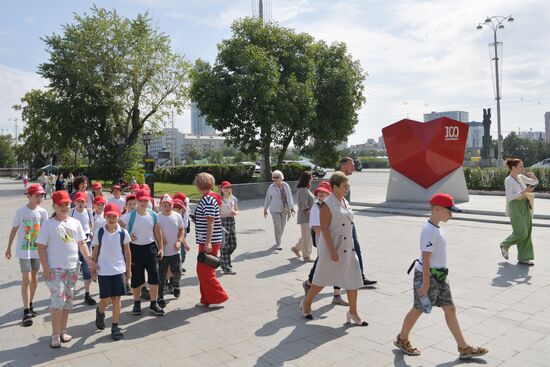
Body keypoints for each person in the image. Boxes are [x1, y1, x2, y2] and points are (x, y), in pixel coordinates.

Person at [394, 193, 488, 360]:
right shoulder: (429, 230)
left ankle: (463, 347)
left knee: (450, 309)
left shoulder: (437, 228)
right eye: (449, 210)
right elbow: (426, 257)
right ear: (437, 209)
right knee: (418, 308)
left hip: (439, 276)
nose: (451, 214)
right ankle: (402, 339)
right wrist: (425, 282)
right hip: (428, 276)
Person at [300, 172, 367, 326]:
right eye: (345, 186)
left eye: (348, 185)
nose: (347, 188)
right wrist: (332, 251)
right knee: (321, 280)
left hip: (347, 247)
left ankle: (353, 312)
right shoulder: (327, 204)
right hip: (332, 247)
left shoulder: (344, 201)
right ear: (335, 187)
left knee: (353, 279)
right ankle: (307, 303)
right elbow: (324, 229)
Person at [36, 190, 96, 348]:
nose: (64, 207)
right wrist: (45, 268)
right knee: (57, 301)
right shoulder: (49, 224)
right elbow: (41, 247)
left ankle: (63, 330)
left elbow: (82, 243)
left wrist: (89, 259)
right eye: (60, 205)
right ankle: (55, 334)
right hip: (55, 269)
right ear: (54, 206)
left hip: (73, 267)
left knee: (68, 301)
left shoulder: (75, 222)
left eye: (66, 204)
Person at [5, 184, 49, 327]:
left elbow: (46, 232)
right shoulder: (21, 212)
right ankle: (25, 310)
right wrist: (8, 248)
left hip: (38, 251)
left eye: (40, 196)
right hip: (24, 251)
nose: (39, 198)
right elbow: (14, 229)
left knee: (35, 278)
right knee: (27, 278)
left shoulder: (42, 212)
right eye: (36, 196)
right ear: (28, 196)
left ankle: (30, 303)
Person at [301, 181, 348, 306]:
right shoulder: (317, 207)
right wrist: (327, 243)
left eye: (324, 192)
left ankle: (336, 295)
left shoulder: (334, 205)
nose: (321, 194)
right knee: (321, 266)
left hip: (336, 241)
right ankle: (309, 284)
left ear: (329, 193)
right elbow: (317, 227)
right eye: (320, 192)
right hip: (325, 242)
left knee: (338, 266)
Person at [120, 189, 165, 316]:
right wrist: (128, 235)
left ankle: (153, 303)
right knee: (137, 278)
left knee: (154, 277)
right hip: (135, 249)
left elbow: (157, 231)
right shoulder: (130, 215)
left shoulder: (153, 215)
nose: (143, 202)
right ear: (137, 201)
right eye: (141, 200)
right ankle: (136, 303)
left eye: (146, 200)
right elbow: (118, 226)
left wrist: (161, 247)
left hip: (150, 248)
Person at [91, 203, 131, 341]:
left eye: (114, 216)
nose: (112, 218)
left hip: (119, 269)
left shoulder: (123, 233)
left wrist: (128, 270)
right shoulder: (99, 232)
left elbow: (127, 252)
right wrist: (93, 268)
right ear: (105, 217)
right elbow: (95, 251)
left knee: (116, 298)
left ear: (118, 216)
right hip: (103, 270)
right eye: (109, 216)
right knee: (106, 299)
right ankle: (100, 312)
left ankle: (115, 326)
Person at [339, 157, 377, 286]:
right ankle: (311, 281)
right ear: (344, 166)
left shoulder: (344, 180)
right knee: (331, 254)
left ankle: (359, 277)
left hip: (347, 220)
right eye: (352, 165)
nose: (354, 167)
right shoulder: (337, 180)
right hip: (341, 222)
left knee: (354, 248)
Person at [194, 172, 229, 308]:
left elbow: (210, 222)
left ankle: (217, 297)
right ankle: (206, 298)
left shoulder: (207, 199)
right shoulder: (209, 197)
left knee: (205, 271)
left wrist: (208, 242)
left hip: (209, 241)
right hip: (207, 240)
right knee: (203, 270)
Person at [500, 158, 538, 266]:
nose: (523, 168)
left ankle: (524, 258)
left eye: (522, 166)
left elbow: (535, 183)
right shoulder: (508, 180)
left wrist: (534, 178)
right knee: (521, 231)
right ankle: (505, 244)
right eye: (520, 166)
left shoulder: (520, 177)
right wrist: (523, 192)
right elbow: (510, 197)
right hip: (515, 206)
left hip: (524, 205)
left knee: (528, 230)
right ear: (513, 168)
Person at [157, 194, 188, 308]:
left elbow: (181, 230)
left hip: (175, 251)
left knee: (178, 271)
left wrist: (180, 241)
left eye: (169, 204)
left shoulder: (177, 216)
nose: (167, 207)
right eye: (165, 205)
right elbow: (154, 231)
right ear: (161, 205)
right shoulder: (158, 217)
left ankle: (176, 286)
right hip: (163, 252)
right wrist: (160, 239)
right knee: (161, 275)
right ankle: (160, 297)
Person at [70, 191, 97, 306]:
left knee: (87, 268)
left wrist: (91, 233)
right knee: (73, 268)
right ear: (74, 202)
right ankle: (69, 293)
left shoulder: (89, 212)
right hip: (74, 244)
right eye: (78, 201)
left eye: (83, 201)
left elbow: (91, 225)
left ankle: (87, 293)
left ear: (86, 202)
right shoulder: (71, 212)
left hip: (87, 243)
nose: (80, 203)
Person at [264, 170, 295, 251]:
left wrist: (292, 207)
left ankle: (278, 239)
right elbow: (268, 198)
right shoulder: (271, 187)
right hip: (274, 209)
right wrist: (265, 208)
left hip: (284, 208)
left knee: (282, 226)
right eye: (273, 177)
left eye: (276, 177)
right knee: (277, 226)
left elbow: (290, 196)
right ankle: (278, 243)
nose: (274, 179)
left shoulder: (286, 185)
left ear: (281, 177)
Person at [291, 171, 315, 262]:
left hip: (308, 216)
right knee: (308, 237)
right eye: (311, 177)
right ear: (307, 178)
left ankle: (296, 248)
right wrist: (311, 216)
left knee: (306, 236)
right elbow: (304, 206)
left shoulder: (305, 189)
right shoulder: (303, 190)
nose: (312, 178)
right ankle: (306, 256)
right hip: (306, 217)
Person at [219, 181, 239, 275]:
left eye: (228, 187)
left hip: (231, 222)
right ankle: (227, 267)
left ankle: (222, 259)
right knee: (224, 245)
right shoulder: (219, 199)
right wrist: (228, 214)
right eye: (225, 188)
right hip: (223, 222)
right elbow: (218, 214)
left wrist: (235, 212)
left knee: (233, 244)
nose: (227, 189)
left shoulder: (233, 198)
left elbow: (237, 209)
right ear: (221, 189)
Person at [172, 197, 190, 274]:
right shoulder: (171, 219)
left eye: (179, 209)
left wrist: (185, 244)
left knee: (182, 255)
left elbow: (181, 234)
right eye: (175, 208)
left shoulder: (180, 220)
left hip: (179, 242)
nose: (177, 211)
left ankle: (178, 268)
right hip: (170, 244)